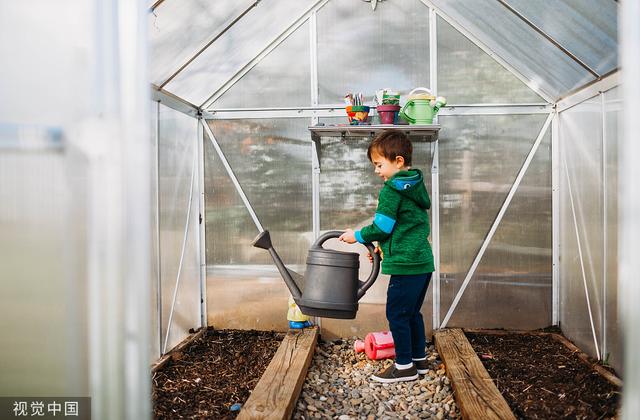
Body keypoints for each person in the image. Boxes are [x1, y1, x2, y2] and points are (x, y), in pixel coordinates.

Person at [339, 129, 434, 383]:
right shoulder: (415, 186)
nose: (376, 171)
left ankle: (403, 367)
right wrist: (384, 246)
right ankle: (418, 360)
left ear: (398, 161)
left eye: (379, 164)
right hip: (422, 262)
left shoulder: (391, 191)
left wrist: (357, 235)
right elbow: (404, 226)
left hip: (406, 264)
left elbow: (382, 227)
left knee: (397, 315)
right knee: (412, 313)